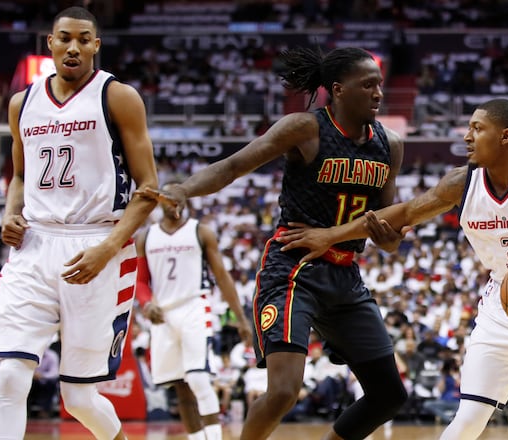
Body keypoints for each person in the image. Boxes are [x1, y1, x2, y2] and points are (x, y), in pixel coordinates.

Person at [277, 98, 508, 439]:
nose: (467, 136)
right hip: (502, 307)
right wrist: (330, 235)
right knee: (467, 419)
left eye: (477, 128)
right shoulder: (462, 182)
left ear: (505, 136)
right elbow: (403, 213)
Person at [141, 46, 408, 440]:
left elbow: (389, 231)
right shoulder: (306, 128)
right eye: (367, 85)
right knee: (284, 390)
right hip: (293, 269)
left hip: (345, 273)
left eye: (380, 85)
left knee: (389, 396)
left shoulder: (391, 144)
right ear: (337, 89)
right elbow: (233, 165)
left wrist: (391, 238)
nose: (378, 94)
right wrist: (183, 189)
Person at [0, 6, 160, 439]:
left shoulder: (118, 96)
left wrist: (107, 247)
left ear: (96, 45)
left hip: (98, 242)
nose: (74, 47)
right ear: (51, 42)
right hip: (35, 245)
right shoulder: (21, 103)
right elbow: (21, 177)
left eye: (84, 39)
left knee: (78, 398)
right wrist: (11, 214)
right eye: (65, 37)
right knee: (10, 376)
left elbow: (149, 188)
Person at [134, 182, 251, 440]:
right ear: (160, 201)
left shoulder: (201, 232)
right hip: (162, 314)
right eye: (168, 198)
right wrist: (146, 303)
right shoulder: (146, 236)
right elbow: (141, 281)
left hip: (194, 306)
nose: (174, 202)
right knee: (181, 387)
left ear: (186, 200)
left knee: (198, 378)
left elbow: (222, 277)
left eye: (179, 198)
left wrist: (241, 319)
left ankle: (215, 437)